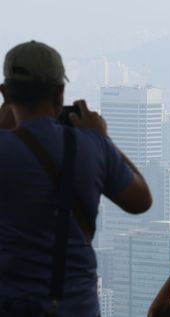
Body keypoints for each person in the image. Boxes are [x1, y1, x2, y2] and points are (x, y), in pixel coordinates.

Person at [0, 41, 152, 316]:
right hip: (76, 306)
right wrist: (102, 138)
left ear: (5, 92)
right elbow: (140, 200)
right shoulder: (90, 146)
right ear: (60, 94)